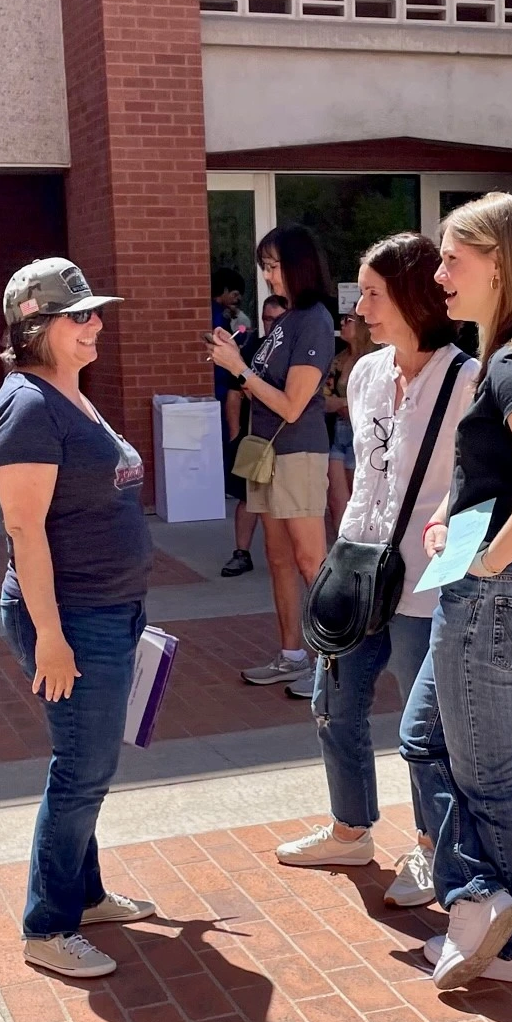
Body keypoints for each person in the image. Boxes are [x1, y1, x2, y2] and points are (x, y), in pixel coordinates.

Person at [400, 192, 512, 991]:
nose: (438, 274)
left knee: (488, 774)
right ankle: (482, 898)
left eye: (452, 258)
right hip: (502, 590)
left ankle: (509, 937)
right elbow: (500, 472)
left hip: (497, 598)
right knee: (423, 739)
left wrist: (489, 561)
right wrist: (450, 516)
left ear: (500, 262)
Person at [274, 232, 478, 906]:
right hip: (359, 572)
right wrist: (339, 553)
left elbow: (485, 487)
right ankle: (350, 828)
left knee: (425, 730)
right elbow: (366, 479)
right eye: (359, 292)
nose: (358, 308)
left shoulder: (467, 379)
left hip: (429, 581)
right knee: (334, 703)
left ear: (416, 296)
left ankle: (430, 850)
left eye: (371, 293)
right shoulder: (362, 375)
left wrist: (462, 568)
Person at [0, 255, 156, 982]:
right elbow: (25, 531)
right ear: (36, 327)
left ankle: (80, 895)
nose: (95, 325)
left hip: (107, 608)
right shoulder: (28, 406)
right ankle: (47, 926)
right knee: (82, 769)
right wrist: (51, 635)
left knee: (90, 763)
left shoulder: (67, 394)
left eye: (94, 313)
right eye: (78, 315)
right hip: (72, 618)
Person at [210, 224, 335, 689]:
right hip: (268, 454)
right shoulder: (285, 323)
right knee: (278, 558)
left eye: (273, 266)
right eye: (264, 267)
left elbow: (291, 404)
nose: (267, 276)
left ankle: (332, 665)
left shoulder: (315, 320)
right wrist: (234, 357)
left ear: (298, 265)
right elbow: (258, 382)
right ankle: (290, 653)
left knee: (309, 561)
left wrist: (238, 369)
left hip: (297, 454)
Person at [218, 280, 271, 579]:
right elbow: (234, 393)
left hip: (286, 435)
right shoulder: (252, 345)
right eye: (265, 318)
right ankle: (242, 552)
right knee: (247, 495)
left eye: (276, 319)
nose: (269, 324)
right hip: (253, 434)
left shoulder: (295, 344)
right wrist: (235, 434)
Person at [324, 310, 374, 542]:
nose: (342, 324)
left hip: (362, 433)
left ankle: (359, 547)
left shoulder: (376, 359)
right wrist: (346, 402)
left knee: (360, 498)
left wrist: (344, 403)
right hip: (339, 432)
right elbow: (323, 399)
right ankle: (342, 550)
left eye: (348, 320)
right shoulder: (339, 359)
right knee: (337, 501)